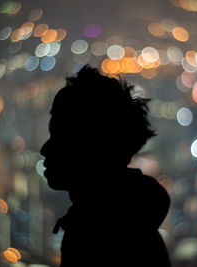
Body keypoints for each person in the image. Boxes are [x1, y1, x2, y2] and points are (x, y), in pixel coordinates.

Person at [40, 65, 171, 267]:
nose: (45, 149)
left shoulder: (95, 236)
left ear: (92, 147)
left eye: (60, 136)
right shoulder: (132, 223)